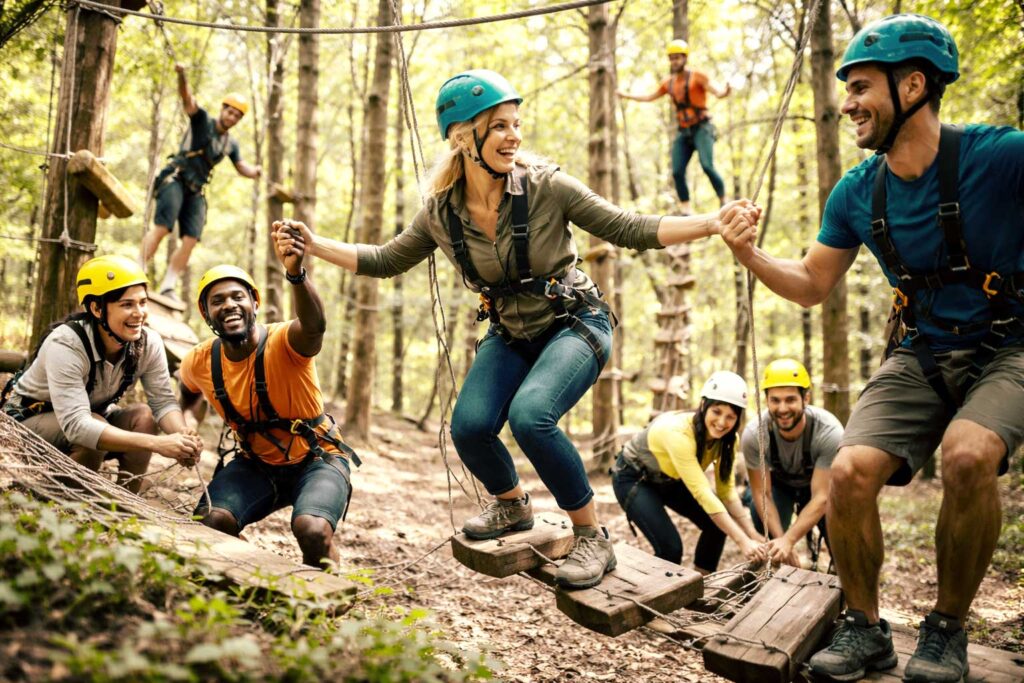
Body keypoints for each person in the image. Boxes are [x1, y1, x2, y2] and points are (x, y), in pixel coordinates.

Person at [276, 69, 760, 589]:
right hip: (511, 334)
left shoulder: (549, 187)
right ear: (465, 138)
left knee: (532, 416)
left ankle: (591, 536)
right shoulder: (441, 213)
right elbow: (386, 259)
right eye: (501, 127)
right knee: (469, 425)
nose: (515, 137)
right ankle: (512, 506)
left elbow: (628, 226)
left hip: (576, 323)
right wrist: (314, 245)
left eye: (516, 124)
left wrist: (711, 223)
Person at [719, 14, 1024, 682]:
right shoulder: (859, 191)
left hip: (1011, 344)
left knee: (969, 454)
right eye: (846, 90)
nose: (847, 104)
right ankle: (864, 628)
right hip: (921, 349)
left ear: (914, 84)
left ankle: (946, 632)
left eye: (861, 87)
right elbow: (809, 285)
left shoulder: (1000, 158)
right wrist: (748, 252)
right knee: (851, 471)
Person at [178, 241, 357, 569]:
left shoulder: (286, 341)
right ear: (205, 314)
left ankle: (328, 594)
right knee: (210, 522)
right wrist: (188, 423)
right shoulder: (199, 360)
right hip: (256, 463)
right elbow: (187, 398)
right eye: (217, 301)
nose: (229, 305)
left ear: (254, 303)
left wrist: (295, 274)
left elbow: (315, 326)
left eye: (238, 297)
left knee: (313, 530)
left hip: (318, 458)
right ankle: (242, 581)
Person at [0, 255, 203, 492]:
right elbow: (78, 425)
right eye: (127, 305)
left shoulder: (149, 343)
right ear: (97, 308)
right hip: (27, 424)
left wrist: (183, 436)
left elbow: (163, 403)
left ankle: (125, 503)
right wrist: (158, 444)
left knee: (144, 417)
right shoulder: (66, 343)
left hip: (90, 418)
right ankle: (65, 501)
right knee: (90, 430)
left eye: (143, 302)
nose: (139, 313)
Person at [610, 371, 764, 575]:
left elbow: (726, 493)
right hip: (634, 478)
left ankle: (700, 586)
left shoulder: (728, 440)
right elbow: (703, 493)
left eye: (730, 417)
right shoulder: (679, 433)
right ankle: (653, 600)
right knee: (671, 548)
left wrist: (752, 533)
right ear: (703, 406)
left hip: (671, 479)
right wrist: (742, 541)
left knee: (716, 527)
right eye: (717, 412)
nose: (721, 422)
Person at [140, 63, 261, 302]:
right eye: (230, 111)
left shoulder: (230, 144)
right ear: (222, 109)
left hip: (196, 190)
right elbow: (187, 99)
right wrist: (182, 75)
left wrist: (255, 171)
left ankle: (168, 285)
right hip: (176, 177)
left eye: (237, 115)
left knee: (191, 239)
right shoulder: (203, 120)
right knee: (163, 227)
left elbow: (241, 167)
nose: (232, 117)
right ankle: (139, 269)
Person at [740, 358, 842, 569]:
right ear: (766, 401)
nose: (783, 408)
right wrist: (781, 542)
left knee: (838, 516)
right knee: (758, 513)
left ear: (805, 398)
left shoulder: (829, 432)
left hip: (816, 487)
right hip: (779, 487)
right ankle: (773, 567)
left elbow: (822, 497)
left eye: (790, 400)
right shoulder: (754, 434)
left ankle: (840, 571)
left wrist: (790, 539)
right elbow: (762, 494)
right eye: (775, 400)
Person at [617, 39, 731, 214]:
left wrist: (726, 92)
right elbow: (649, 97)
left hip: (702, 128)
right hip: (684, 132)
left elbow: (717, 92)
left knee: (707, 165)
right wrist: (626, 95)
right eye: (671, 58)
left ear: (685, 58)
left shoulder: (698, 77)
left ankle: (723, 200)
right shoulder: (668, 83)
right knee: (677, 171)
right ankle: (686, 209)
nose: (674, 62)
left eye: (677, 58)